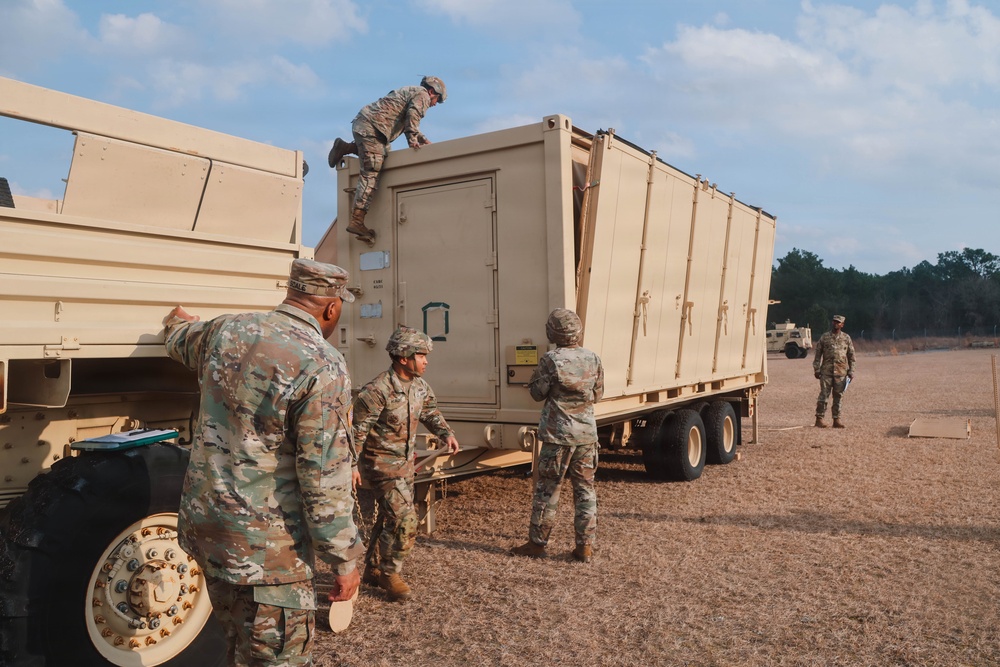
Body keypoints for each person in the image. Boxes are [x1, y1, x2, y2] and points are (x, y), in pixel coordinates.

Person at [162, 258, 363, 666]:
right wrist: (344, 559)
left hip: (211, 536)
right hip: (271, 558)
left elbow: (179, 337)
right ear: (331, 307)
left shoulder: (225, 330)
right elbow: (324, 480)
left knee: (236, 647)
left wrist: (177, 320)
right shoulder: (322, 363)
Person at [352, 326, 460, 602]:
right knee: (405, 520)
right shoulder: (377, 390)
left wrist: (446, 433)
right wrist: (351, 466)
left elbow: (431, 412)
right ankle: (390, 573)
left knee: (391, 517)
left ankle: (373, 569)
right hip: (381, 466)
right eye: (421, 355)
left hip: (405, 465)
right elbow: (356, 433)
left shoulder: (420, 386)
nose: (426, 361)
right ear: (403, 358)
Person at [512, 308, 604, 563]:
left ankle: (537, 543)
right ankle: (585, 547)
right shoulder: (593, 358)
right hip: (586, 435)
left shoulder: (551, 359)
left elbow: (537, 394)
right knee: (585, 490)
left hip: (557, 436)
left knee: (548, 490)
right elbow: (597, 394)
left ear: (552, 332)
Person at [328, 75, 447, 243]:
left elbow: (407, 120)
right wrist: (412, 140)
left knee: (379, 154)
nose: (434, 104)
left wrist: (424, 140)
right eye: (437, 100)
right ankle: (357, 220)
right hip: (372, 128)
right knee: (372, 170)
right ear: (431, 91)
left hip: (368, 126)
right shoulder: (423, 96)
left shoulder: (413, 92)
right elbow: (413, 116)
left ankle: (345, 147)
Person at [813, 314, 857, 429]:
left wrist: (851, 371)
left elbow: (851, 356)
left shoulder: (846, 338)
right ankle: (819, 419)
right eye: (834, 322)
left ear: (842, 325)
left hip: (841, 373)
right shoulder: (824, 337)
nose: (835, 324)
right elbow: (817, 355)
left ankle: (836, 419)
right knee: (823, 396)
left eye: (838, 322)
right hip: (826, 372)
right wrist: (816, 369)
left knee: (838, 396)